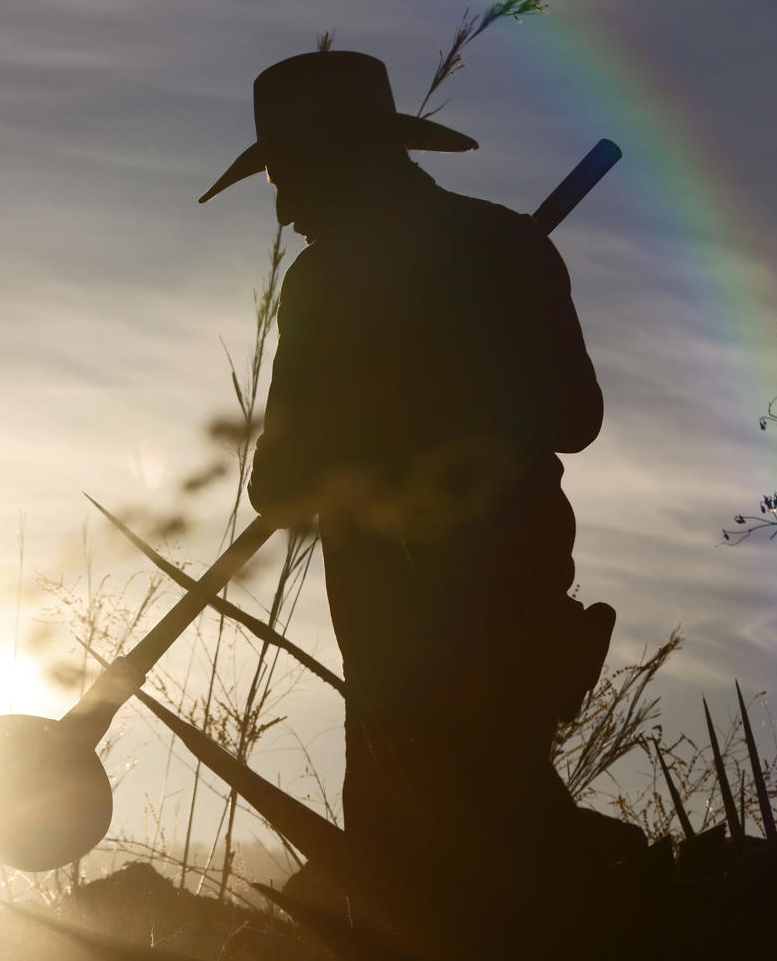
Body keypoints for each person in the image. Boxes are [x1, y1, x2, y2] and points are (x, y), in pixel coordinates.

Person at [200, 50, 638, 912]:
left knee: (428, 810)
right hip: (523, 558)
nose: (285, 211)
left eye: (289, 177)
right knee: (492, 782)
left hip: (398, 587)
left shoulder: (326, 283)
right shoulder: (507, 246)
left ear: (347, 159)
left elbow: (280, 482)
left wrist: (407, 403)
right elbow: (575, 418)